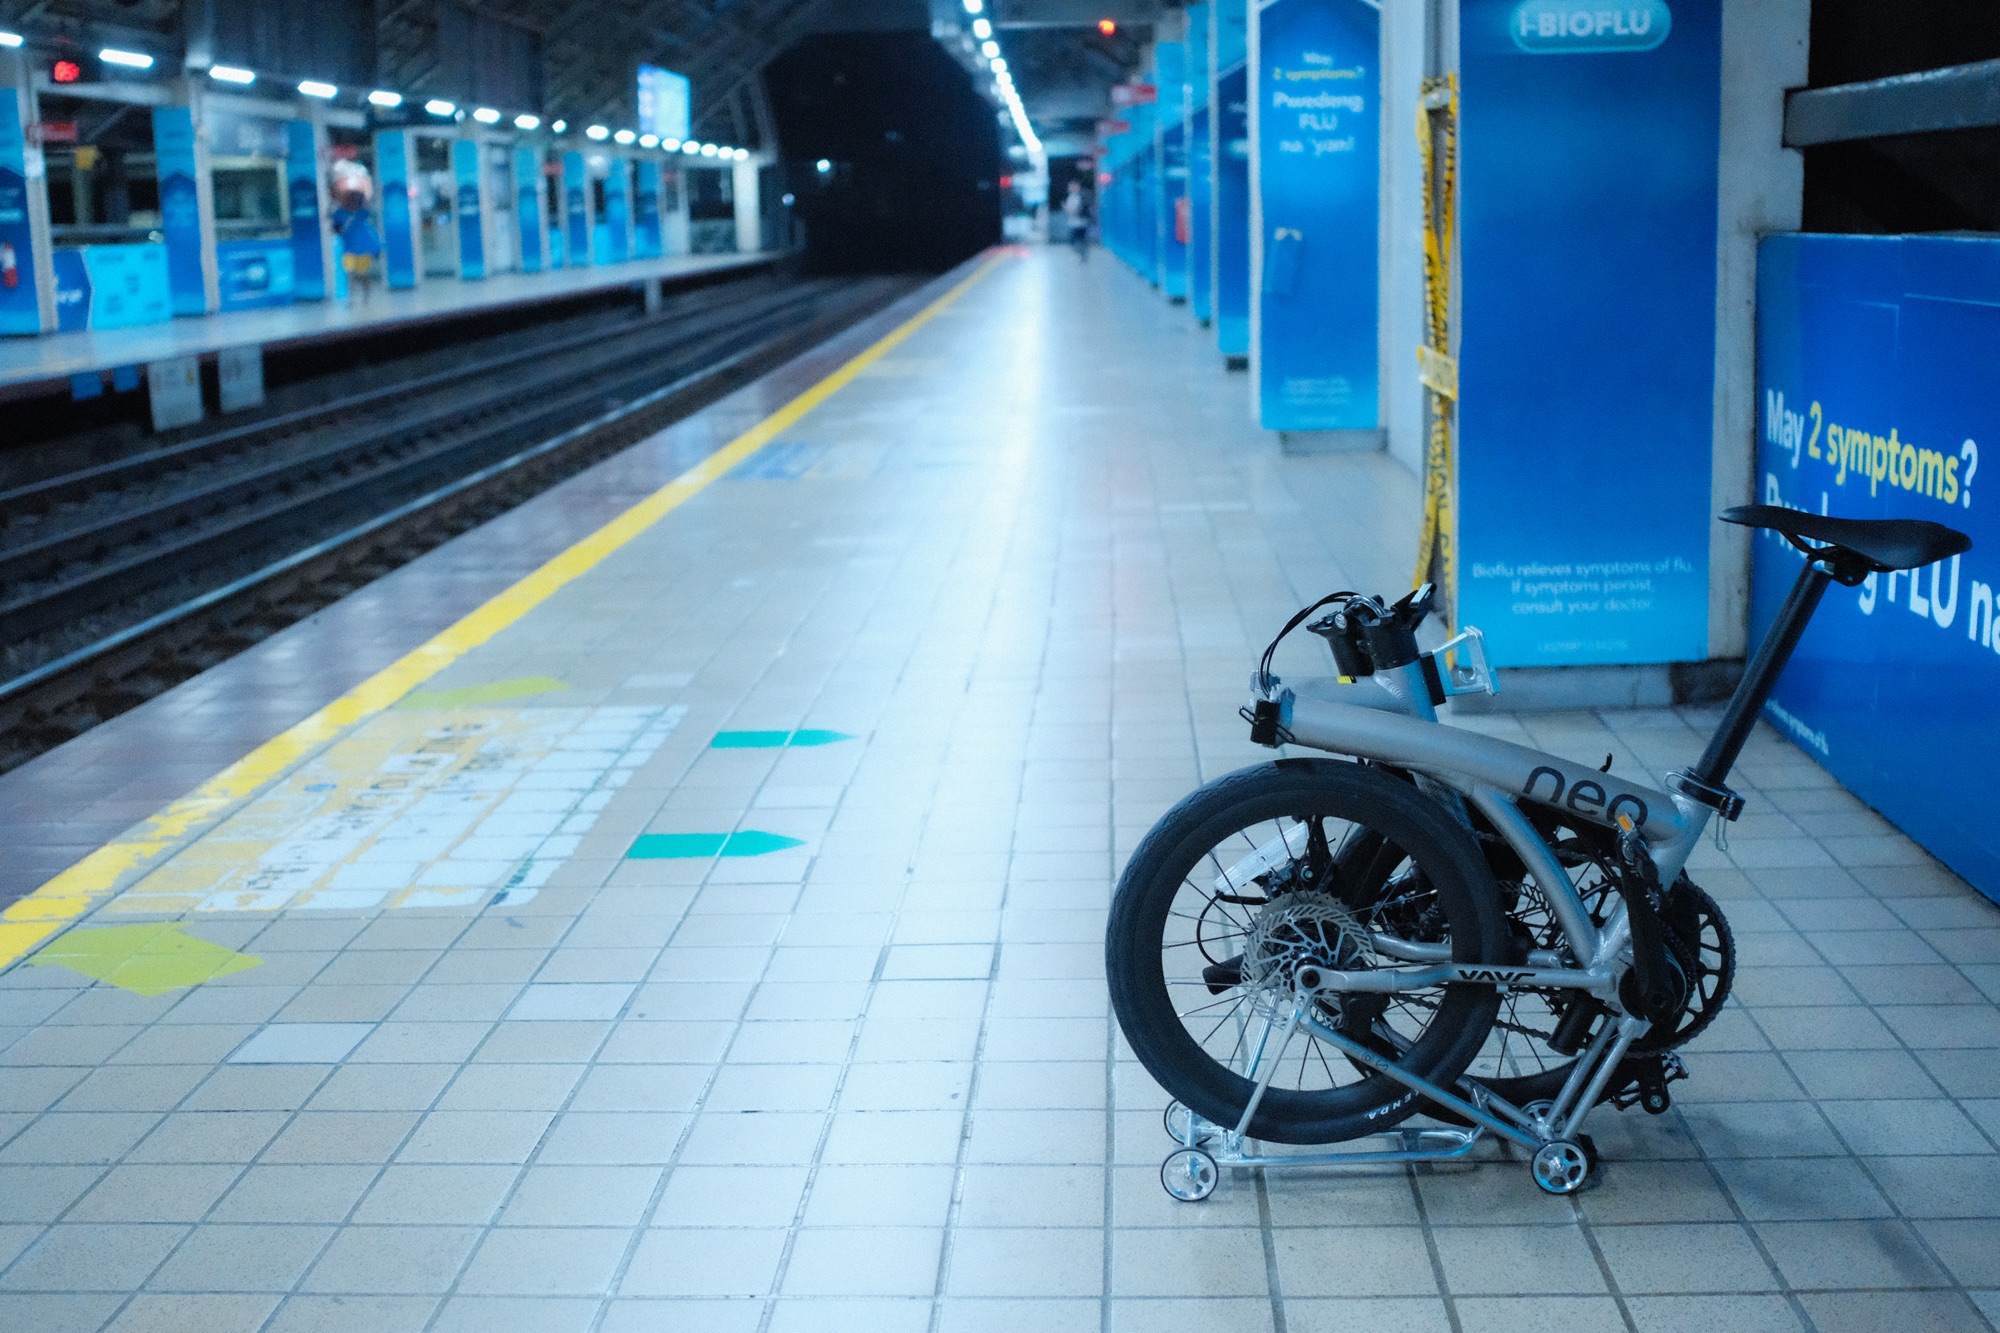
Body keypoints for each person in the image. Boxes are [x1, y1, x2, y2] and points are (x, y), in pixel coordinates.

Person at [328, 161, 383, 304]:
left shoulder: (360, 213)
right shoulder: (341, 213)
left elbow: (367, 202)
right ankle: (351, 298)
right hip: (349, 249)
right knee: (350, 273)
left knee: (361, 274)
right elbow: (335, 228)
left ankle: (365, 296)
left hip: (361, 249)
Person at [1063, 182, 1092, 261]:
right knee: (1074, 240)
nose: (1070, 188)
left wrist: (1070, 209)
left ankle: (1083, 252)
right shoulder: (1070, 197)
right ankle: (1082, 252)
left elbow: (1078, 209)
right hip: (1073, 222)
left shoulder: (1080, 196)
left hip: (1081, 222)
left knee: (1079, 238)